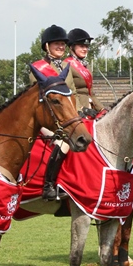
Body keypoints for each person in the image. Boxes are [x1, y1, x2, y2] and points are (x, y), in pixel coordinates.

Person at [30, 25, 78, 201]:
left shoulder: (67, 66)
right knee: (63, 143)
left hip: (69, 116)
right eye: (56, 44)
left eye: (63, 44)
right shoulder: (38, 68)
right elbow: (37, 96)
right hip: (47, 118)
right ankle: (48, 185)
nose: (61, 47)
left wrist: (79, 113)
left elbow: (73, 93)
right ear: (47, 46)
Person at [64, 28, 102, 116]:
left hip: (91, 107)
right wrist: (81, 108)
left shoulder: (86, 66)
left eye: (86, 46)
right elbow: (70, 92)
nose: (85, 49)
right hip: (76, 109)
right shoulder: (67, 65)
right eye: (81, 46)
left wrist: (101, 109)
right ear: (71, 47)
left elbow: (91, 92)